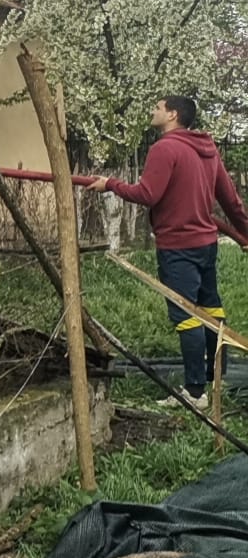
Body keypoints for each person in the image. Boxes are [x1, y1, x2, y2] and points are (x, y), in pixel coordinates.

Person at [86, 96, 248, 408]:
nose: (153, 111)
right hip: (206, 243)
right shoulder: (207, 149)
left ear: (173, 114)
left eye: (158, 107)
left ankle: (195, 393)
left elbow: (148, 194)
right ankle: (216, 377)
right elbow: (231, 200)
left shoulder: (164, 148)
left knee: (186, 315)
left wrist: (111, 184)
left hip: (178, 246)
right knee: (210, 308)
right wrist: (245, 232)